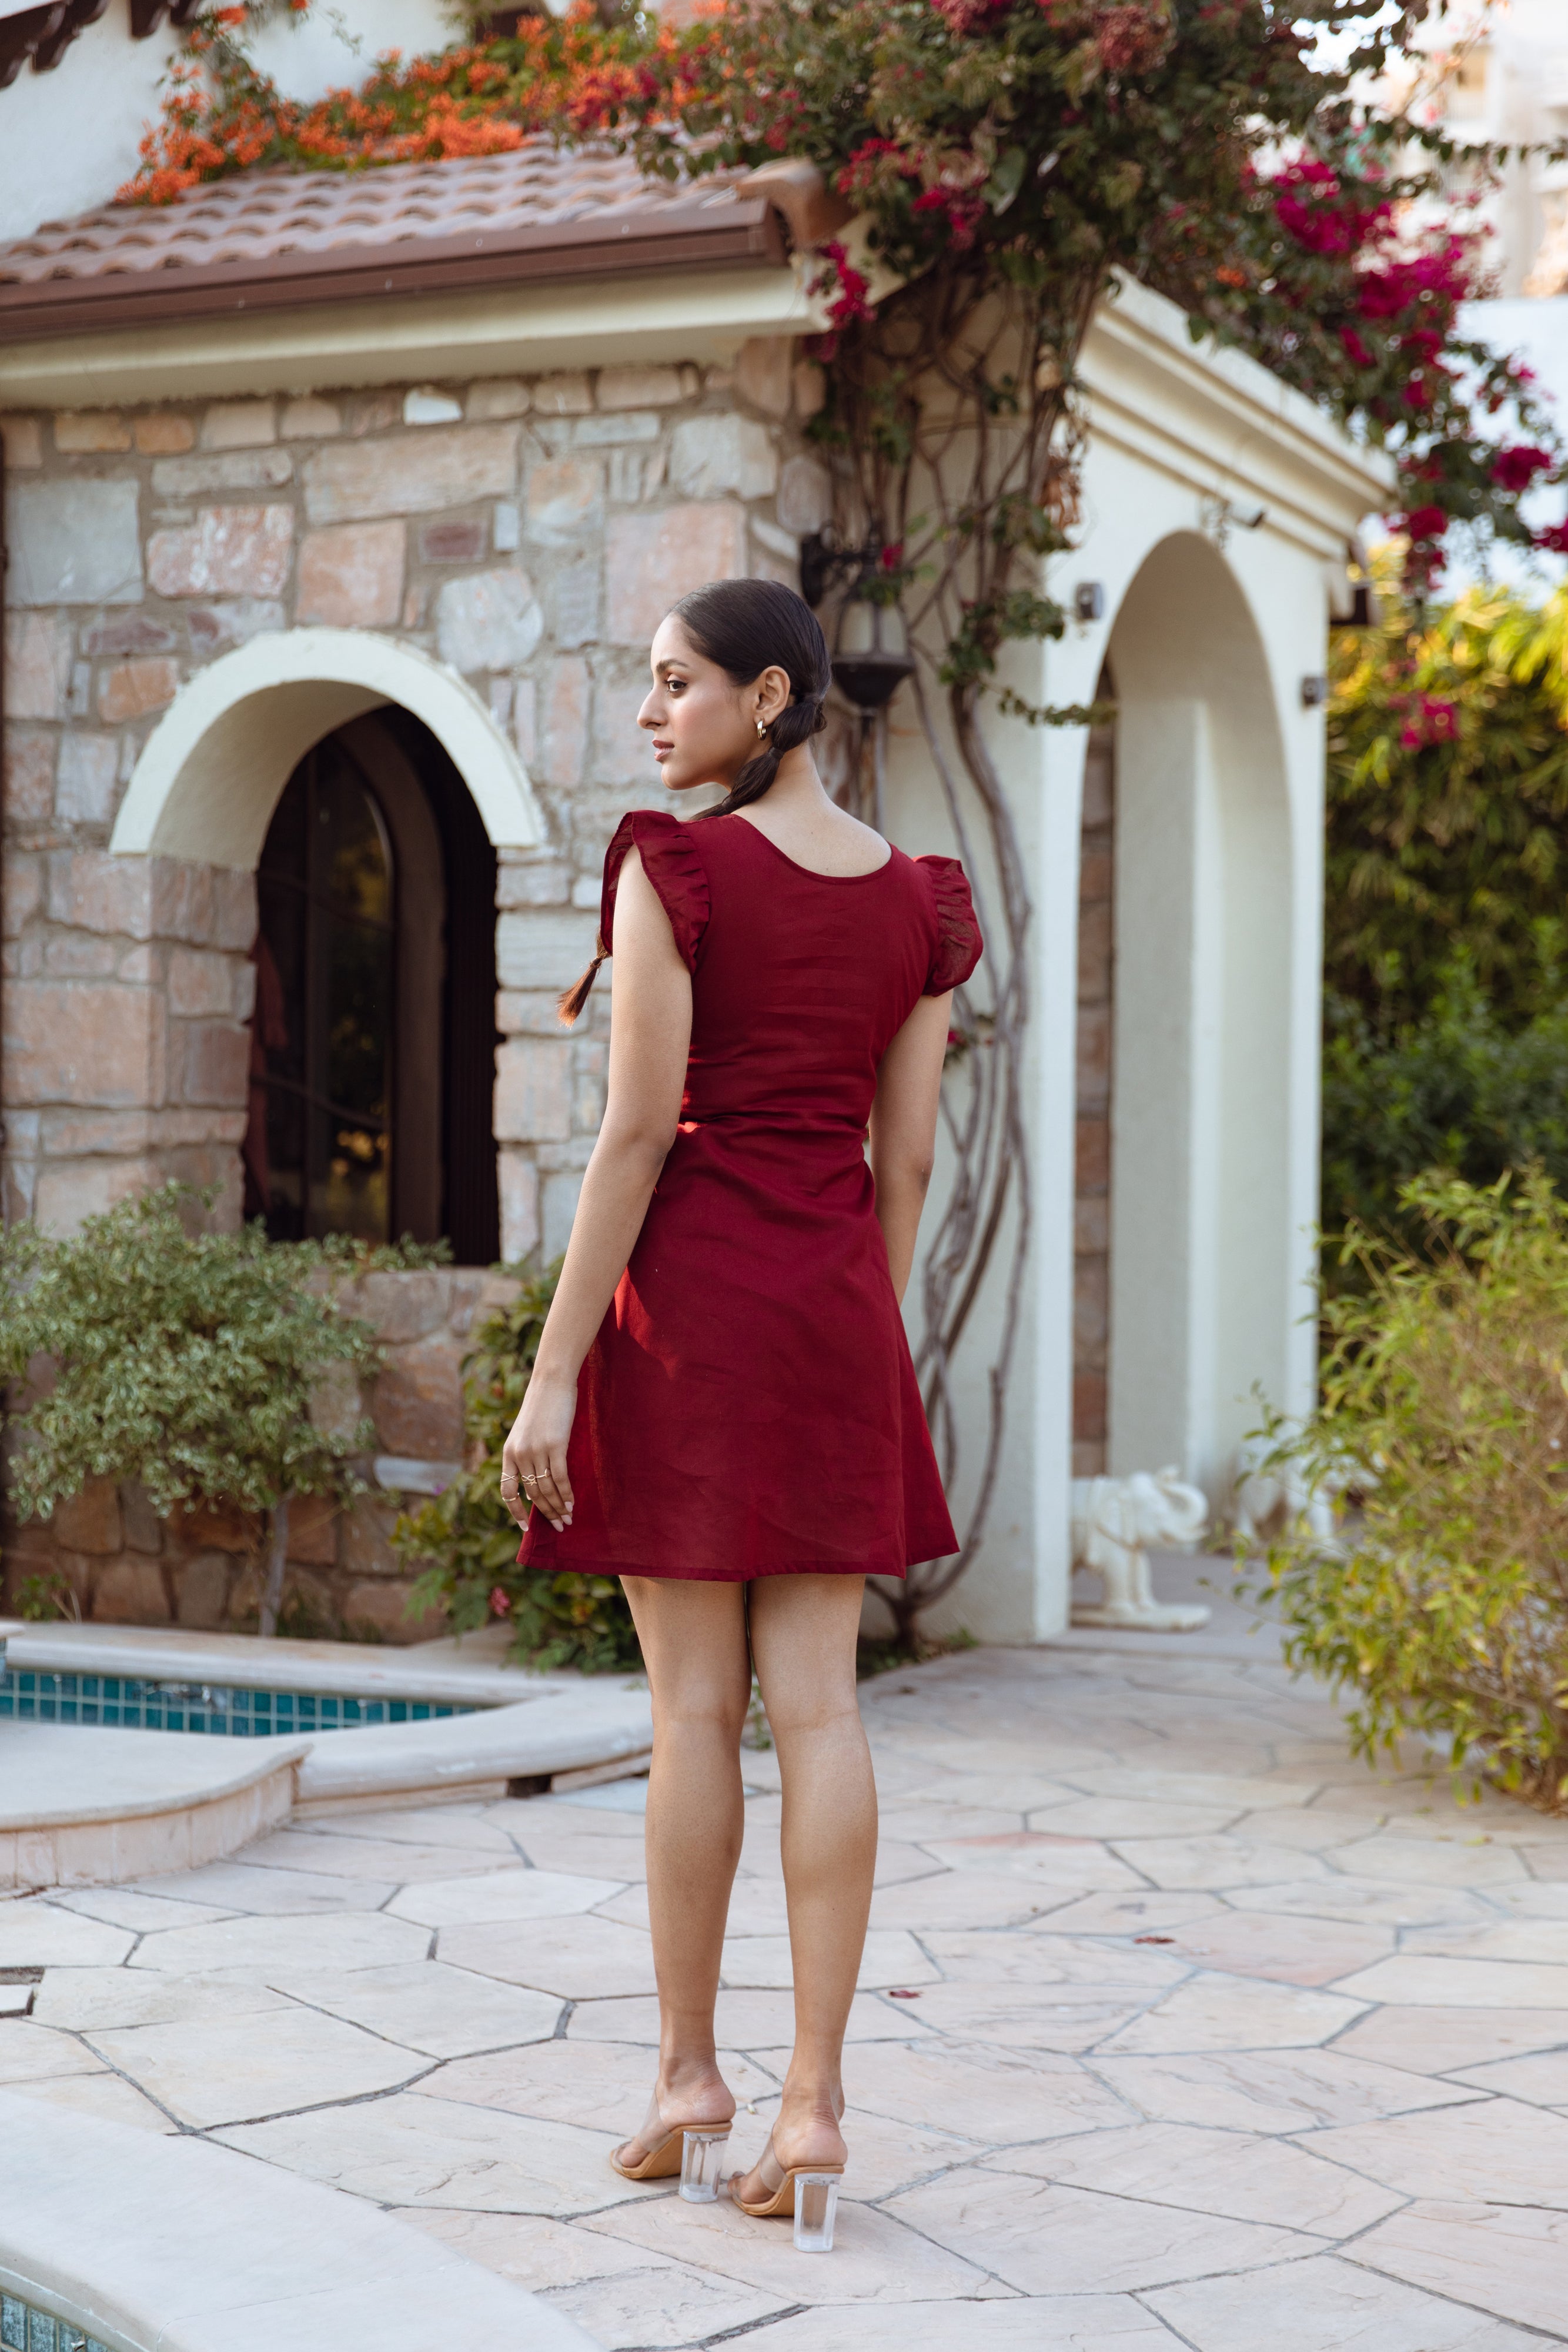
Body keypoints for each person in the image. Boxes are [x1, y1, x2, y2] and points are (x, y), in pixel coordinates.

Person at [499, 576, 981, 2243]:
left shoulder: (675, 865)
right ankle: (815, 2104)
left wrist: (556, 1372)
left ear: (769, 696)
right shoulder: (924, 898)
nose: (652, 716)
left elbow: (636, 1134)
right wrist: (864, 1311)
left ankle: (690, 2078)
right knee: (824, 1716)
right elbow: (903, 1157)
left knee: (694, 1719)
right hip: (836, 1310)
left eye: (677, 684)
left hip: (692, 1315)